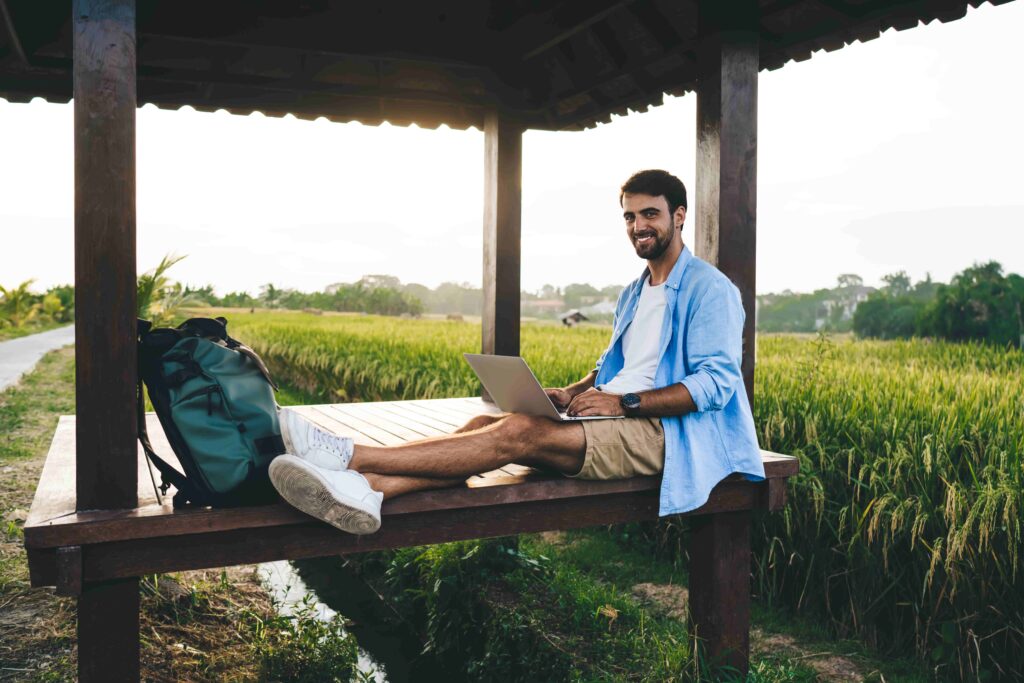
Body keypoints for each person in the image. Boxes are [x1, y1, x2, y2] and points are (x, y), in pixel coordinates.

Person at [268, 169, 765, 534]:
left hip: (665, 434)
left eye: (650, 214)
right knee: (487, 427)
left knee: (520, 432)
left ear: (678, 216)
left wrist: (623, 404)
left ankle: (350, 458)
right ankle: (372, 492)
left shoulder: (709, 290)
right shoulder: (635, 292)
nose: (639, 225)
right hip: (613, 417)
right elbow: (618, 368)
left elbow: (715, 385)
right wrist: (571, 394)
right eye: (630, 216)